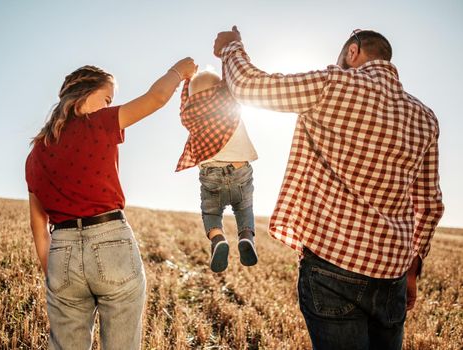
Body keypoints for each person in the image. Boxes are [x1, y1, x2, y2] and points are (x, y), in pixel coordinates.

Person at [213, 26, 444, 349]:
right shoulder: (425, 118)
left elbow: (248, 86)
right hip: (392, 275)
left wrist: (231, 47)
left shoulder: (333, 83)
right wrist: (412, 271)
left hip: (333, 267)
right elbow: (429, 204)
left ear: (353, 52)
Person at [25, 59, 197, 350]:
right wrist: (178, 71)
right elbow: (155, 98)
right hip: (110, 243)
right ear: (83, 95)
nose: (108, 106)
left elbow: (38, 225)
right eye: (106, 99)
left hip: (60, 252)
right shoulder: (100, 123)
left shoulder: (36, 153)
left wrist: (55, 274)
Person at [176, 70, 259, 272]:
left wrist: (187, 80)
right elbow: (231, 80)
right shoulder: (228, 104)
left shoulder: (191, 117)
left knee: (211, 213)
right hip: (240, 169)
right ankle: (246, 237)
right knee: (243, 209)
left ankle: (218, 239)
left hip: (211, 174)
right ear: (221, 88)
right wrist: (225, 59)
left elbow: (184, 104)